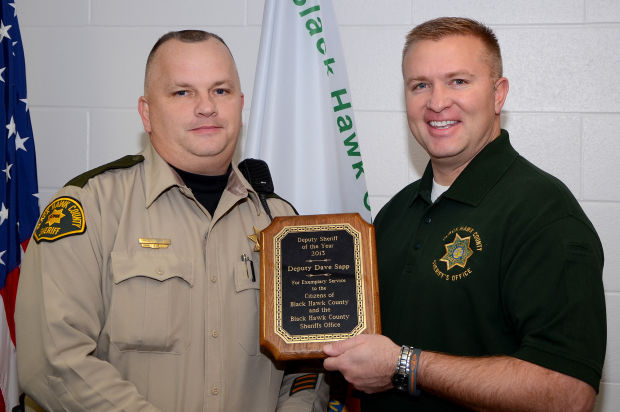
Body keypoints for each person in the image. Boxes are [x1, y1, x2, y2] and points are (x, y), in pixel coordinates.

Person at [16, 30, 328, 411]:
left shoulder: (281, 223)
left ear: (240, 104)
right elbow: (55, 362)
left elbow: (308, 365)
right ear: (146, 112)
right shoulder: (89, 209)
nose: (206, 107)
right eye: (183, 92)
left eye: (221, 91)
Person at [323, 17, 606, 411]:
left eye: (458, 81)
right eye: (420, 85)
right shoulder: (395, 213)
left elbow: (568, 393)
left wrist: (405, 365)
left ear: (498, 94)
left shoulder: (545, 214)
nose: (437, 102)